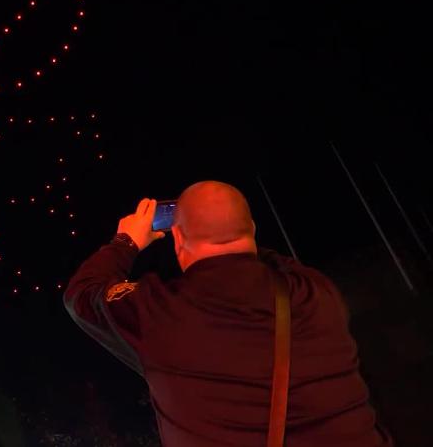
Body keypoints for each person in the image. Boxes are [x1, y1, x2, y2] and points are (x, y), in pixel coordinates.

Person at [64, 182, 392, 446]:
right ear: (251, 229)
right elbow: (273, 261)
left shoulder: (158, 313)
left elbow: (82, 294)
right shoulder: (316, 292)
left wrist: (126, 241)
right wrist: (226, 225)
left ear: (177, 237)